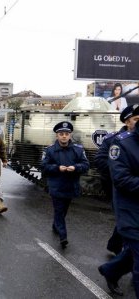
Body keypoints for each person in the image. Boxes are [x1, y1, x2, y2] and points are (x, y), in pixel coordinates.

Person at [98, 105, 139, 297]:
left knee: (133, 251)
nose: (133, 121)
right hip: (130, 209)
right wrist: (111, 183)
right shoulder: (118, 143)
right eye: (133, 118)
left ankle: (111, 270)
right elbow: (120, 177)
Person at [41, 121, 90, 248]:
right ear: (57, 136)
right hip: (56, 185)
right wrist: (58, 168)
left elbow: (86, 165)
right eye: (61, 134)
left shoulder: (78, 150)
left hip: (71, 185)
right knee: (59, 209)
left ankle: (55, 225)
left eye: (66, 134)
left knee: (63, 210)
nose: (64, 136)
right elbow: (44, 166)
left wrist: (75, 167)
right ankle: (63, 236)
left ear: (70, 135)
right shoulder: (50, 150)